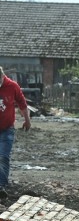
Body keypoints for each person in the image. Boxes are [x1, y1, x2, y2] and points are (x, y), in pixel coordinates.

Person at [0, 66, 31, 199]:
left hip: (7, 129)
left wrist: (27, 120)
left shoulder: (12, 86)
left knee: (3, 156)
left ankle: (1, 185)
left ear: (2, 77)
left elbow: (22, 103)